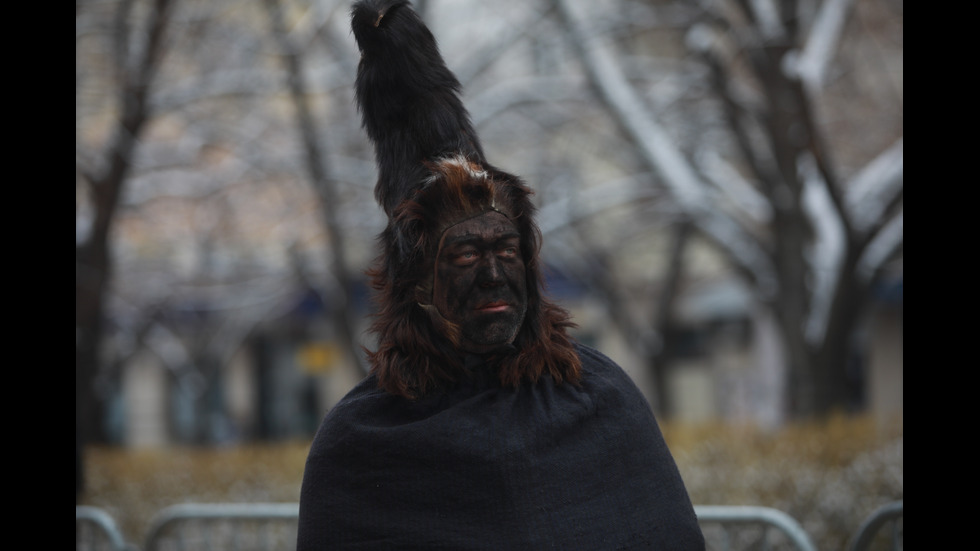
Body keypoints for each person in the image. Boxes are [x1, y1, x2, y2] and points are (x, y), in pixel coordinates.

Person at [297, 1, 705, 549]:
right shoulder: (361, 442)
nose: (493, 275)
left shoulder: (597, 400)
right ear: (416, 284)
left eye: (506, 250)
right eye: (465, 256)